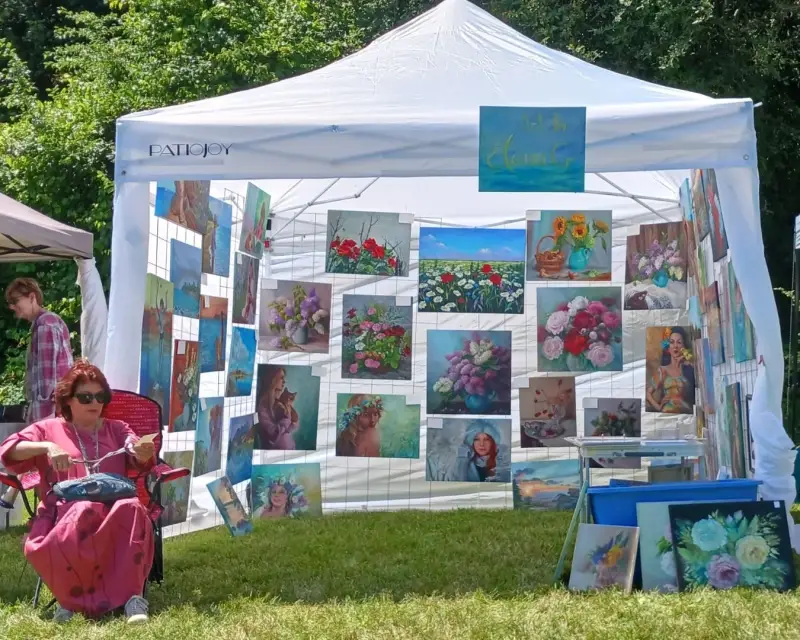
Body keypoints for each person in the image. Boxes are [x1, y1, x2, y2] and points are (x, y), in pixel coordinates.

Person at [0, 359, 157, 623]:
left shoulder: (116, 429)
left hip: (115, 510)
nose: (94, 403)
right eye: (85, 397)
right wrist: (47, 447)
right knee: (83, 509)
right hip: (63, 512)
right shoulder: (48, 429)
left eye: (100, 396)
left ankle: (132, 599)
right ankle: (73, 600)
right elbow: (8, 449)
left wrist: (141, 452)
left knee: (132, 507)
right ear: (68, 400)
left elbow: (134, 449)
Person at [5, 278, 74, 423]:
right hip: (57, 411)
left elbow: (47, 378)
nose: (12, 307)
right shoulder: (44, 323)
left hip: (51, 413)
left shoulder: (45, 324)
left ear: (32, 297)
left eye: (15, 301)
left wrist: (43, 421)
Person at [646, 326, 696, 414]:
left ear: (684, 346)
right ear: (668, 347)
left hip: (686, 413)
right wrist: (658, 407)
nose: (675, 346)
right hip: (668, 414)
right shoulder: (663, 370)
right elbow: (648, 394)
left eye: (679, 342)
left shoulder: (690, 368)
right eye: (672, 342)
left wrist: (690, 363)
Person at [255, 367, 299, 450]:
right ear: (273, 379)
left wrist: (289, 410)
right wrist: (287, 417)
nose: (284, 381)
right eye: (281, 378)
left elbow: (289, 428)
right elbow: (275, 433)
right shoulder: (263, 405)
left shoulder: (277, 400)